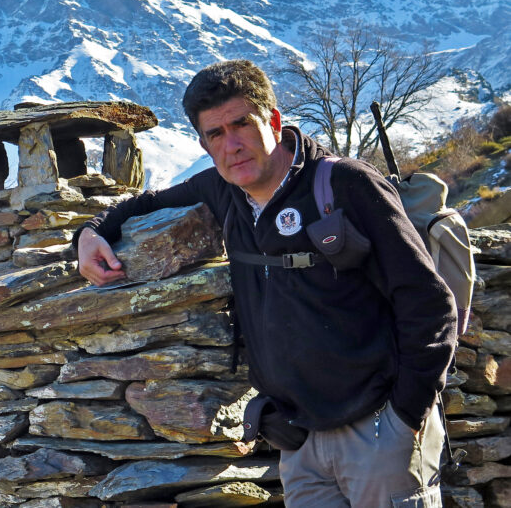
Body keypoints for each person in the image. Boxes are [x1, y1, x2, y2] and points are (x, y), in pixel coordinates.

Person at [74, 60, 457, 507]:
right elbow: (148, 202)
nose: (231, 144)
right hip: (300, 445)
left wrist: (404, 419)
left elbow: (430, 306)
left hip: (378, 432)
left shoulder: (345, 185)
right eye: (215, 134)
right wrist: (88, 234)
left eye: (242, 124)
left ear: (273, 121)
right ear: (203, 143)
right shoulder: (223, 190)